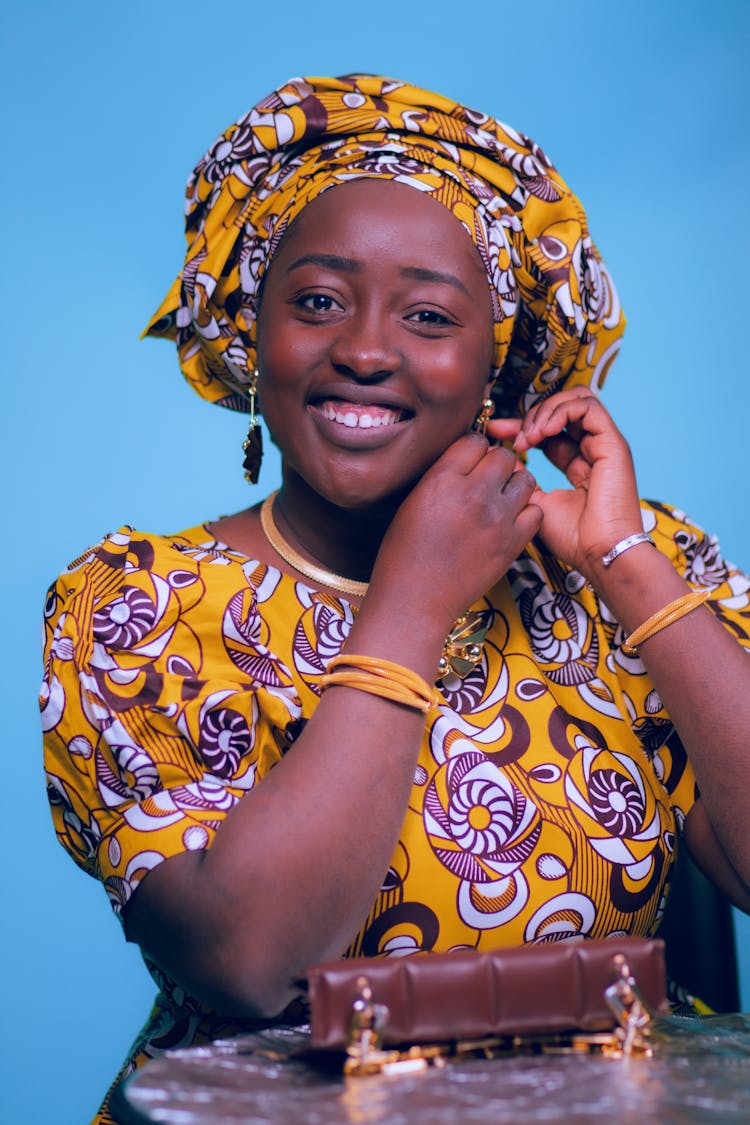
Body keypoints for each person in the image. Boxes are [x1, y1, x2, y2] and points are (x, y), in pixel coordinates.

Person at [41, 74, 750, 1122]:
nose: (365, 350)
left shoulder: (627, 576)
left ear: (497, 369)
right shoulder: (139, 602)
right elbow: (244, 963)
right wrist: (411, 603)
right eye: (318, 301)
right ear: (252, 332)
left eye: (427, 315)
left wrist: (626, 560)